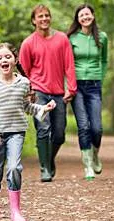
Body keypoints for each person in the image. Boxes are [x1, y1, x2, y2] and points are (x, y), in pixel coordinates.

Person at [0, 42, 56, 221]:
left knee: (14, 168)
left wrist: (43, 109)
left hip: (16, 133)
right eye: (0, 58)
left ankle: (15, 212)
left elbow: (26, 106)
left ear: (14, 60)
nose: (4, 60)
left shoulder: (24, 83)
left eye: (8, 56)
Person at [19, 4, 77, 182]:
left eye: (47, 15)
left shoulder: (62, 39)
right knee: (43, 129)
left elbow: (69, 64)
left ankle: (49, 159)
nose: (44, 19)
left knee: (59, 133)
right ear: (33, 20)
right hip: (38, 92)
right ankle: (44, 168)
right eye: (40, 16)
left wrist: (71, 88)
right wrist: (28, 93)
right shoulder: (28, 43)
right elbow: (23, 71)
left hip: (58, 92)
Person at [67, 4, 108, 180]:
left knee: (97, 128)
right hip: (76, 86)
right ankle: (88, 166)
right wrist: (68, 85)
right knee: (83, 126)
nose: (85, 17)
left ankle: (95, 155)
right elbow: (67, 63)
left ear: (93, 16)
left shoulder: (102, 37)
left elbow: (104, 60)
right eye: (81, 15)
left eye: (88, 14)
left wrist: (100, 76)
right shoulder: (72, 38)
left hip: (94, 85)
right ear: (77, 19)